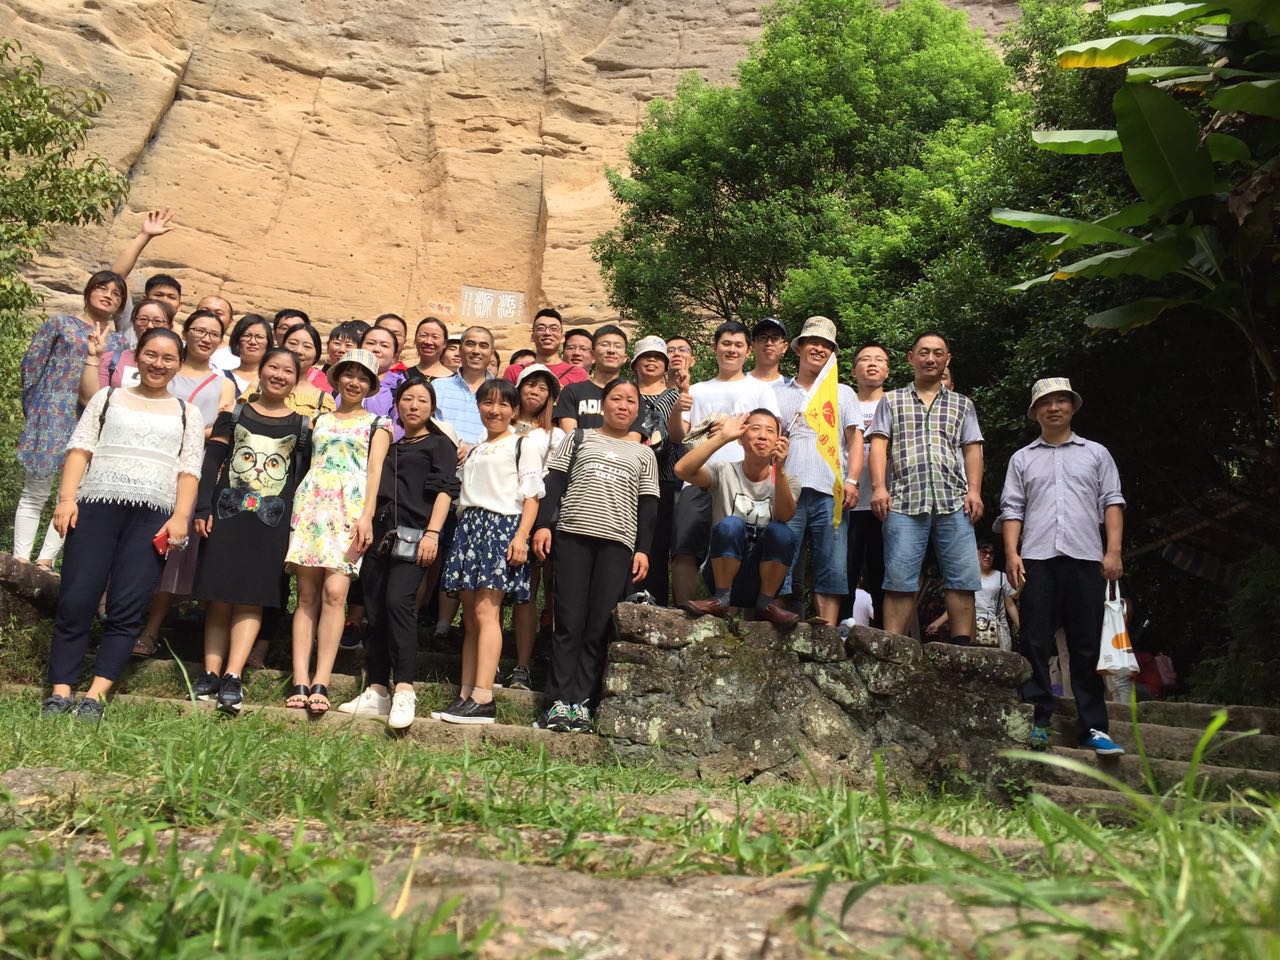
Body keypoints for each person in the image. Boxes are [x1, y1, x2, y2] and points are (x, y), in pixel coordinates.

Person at [41, 328, 205, 722]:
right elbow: (80, 449)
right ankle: (60, 692)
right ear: (137, 355)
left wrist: (181, 516)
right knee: (77, 599)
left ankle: (95, 696)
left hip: (154, 517)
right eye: (151, 354)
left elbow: (189, 470)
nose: (158, 364)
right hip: (95, 507)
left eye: (168, 358)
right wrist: (66, 499)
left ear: (179, 364)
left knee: (127, 606)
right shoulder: (107, 397)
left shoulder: (188, 413)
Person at [999, 377, 1126, 757]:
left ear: (1072, 407)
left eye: (1061, 401)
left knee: (1085, 644)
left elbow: (1112, 502)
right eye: (1046, 403)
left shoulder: (1097, 454)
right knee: (1035, 640)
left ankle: (1093, 728)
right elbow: (1012, 508)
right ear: (1035, 412)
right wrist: (1011, 553)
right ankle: (1038, 719)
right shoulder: (1022, 458)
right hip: (1037, 558)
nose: (1053, 408)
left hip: (1086, 557)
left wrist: (1114, 551)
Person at [190, 347, 313, 713]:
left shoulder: (302, 427)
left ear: (296, 379)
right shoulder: (234, 415)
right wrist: (202, 507)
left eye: (287, 371)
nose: (279, 375)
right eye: (273, 367)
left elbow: (301, 479)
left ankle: (233, 675)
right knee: (219, 595)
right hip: (225, 515)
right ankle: (210, 672)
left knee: (251, 597)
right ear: (260, 371)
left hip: (272, 522)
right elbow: (212, 461)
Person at [533, 379, 660, 732]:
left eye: (631, 401)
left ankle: (582, 702)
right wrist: (543, 525)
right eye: (616, 398)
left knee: (598, 625)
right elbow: (554, 483)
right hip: (573, 536)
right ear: (603, 404)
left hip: (617, 544)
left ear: (638, 410)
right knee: (568, 621)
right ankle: (557, 701)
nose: (623, 405)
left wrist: (643, 549)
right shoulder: (578, 438)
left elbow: (649, 507)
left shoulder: (644, 454)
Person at [339, 379, 459, 727]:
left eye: (422, 400)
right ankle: (377, 689)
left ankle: (404, 689)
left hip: (416, 535)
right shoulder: (390, 446)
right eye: (407, 399)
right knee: (374, 608)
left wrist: (433, 533)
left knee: (398, 603)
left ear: (432, 407)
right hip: (379, 536)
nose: (414, 406)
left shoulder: (440, 444)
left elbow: (445, 490)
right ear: (397, 405)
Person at [283, 349, 392, 715]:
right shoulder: (318, 420)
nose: (354, 382)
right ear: (338, 378)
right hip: (313, 506)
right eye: (349, 374)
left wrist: (367, 516)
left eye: (362, 377)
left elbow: (374, 472)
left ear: (371, 385)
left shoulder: (379, 424)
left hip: (350, 509)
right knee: (306, 595)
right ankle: (300, 678)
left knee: (335, 592)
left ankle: (322, 680)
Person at [131, 308, 238, 657]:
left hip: (194, 470)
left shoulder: (224, 383)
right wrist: (194, 427)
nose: (206, 338)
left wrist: (180, 428)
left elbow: (221, 430)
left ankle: (150, 629)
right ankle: (125, 618)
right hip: (152, 464)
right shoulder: (165, 370)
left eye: (214, 333)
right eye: (199, 330)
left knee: (174, 553)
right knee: (140, 543)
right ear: (186, 331)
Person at [437, 379, 543, 724]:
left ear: (514, 411)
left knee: (487, 612)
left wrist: (521, 537)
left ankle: (484, 696)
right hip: (470, 527)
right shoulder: (476, 449)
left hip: (501, 527)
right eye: (487, 403)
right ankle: (466, 694)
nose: (494, 410)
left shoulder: (522, 444)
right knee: (470, 617)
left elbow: (532, 496)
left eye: (502, 404)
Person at [868, 332, 984, 644]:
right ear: (911, 358)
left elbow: (972, 448)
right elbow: (878, 445)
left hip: (954, 500)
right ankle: (893, 648)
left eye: (937, 353)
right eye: (923, 352)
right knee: (899, 579)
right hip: (904, 500)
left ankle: (963, 649)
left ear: (947, 359)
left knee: (962, 579)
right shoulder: (891, 400)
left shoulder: (963, 404)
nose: (930, 358)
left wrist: (974, 491)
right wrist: (879, 488)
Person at [14, 270, 127, 571]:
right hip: (50, 414)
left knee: (71, 493)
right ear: (88, 292)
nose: (108, 295)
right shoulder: (60, 324)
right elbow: (31, 365)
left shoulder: (119, 343)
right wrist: (34, 409)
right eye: (102, 288)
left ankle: (46, 560)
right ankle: (20, 558)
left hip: (89, 421)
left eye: (116, 293)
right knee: (35, 490)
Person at [670, 321, 781, 606]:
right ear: (715, 347)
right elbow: (678, 436)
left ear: (748, 351)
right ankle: (685, 614)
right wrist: (677, 408)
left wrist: (732, 427)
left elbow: (770, 433)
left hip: (744, 481)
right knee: (685, 548)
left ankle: (732, 611)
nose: (732, 350)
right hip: (699, 477)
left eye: (738, 345)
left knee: (740, 546)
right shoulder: (697, 389)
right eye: (726, 344)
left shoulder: (761, 390)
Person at [772, 317, 861, 624]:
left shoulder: (843, 393)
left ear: (832, 353)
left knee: (832, 563)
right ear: (799, 348)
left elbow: (855, 439)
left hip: (831, 488)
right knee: (781, 558)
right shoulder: (779, 392)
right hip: (788, 487)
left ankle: (828, 631)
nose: (819, 349)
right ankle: (776, 626)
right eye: (813, 342)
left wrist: (852, 480)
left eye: (826, 345)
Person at [675, 410, 800, 628]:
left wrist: (779, 470)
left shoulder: (788, 481)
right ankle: (721, 600)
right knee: (731, 524)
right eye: (755, 429)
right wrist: (722, 437)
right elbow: (681, 470)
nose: (762, 436)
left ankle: (765, 604)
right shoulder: (723, 471)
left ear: (779, 441)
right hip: (721, 572)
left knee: (781, 531)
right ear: (741, 438)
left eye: (770, 431)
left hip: (761, 577)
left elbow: (785, 515)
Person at [508, 364, 566, 690]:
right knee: (501, 591)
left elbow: (555, 479)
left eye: (543, 388)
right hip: (503, 511)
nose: (535, 391)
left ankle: (526, 664)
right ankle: (499, 661)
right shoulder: (502, 425)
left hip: (541, 515)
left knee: (531, 590)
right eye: (530, 384)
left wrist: (544, 522)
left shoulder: (555, 435)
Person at [631, 336, 685, 605]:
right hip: (629, 479)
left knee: (659, 546)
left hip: (664, 478)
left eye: (657, 357)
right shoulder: (626, 392)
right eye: (645, 357)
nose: (651, 361)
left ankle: (657, 606)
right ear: (634, 364)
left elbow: (682, 436)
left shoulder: (677, 395)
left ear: (666, 365)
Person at [841, 342, 889, 627]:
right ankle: (841, 631)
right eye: (865, 359)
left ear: (888, 369)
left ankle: (887, 636)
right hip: (849, 503)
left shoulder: (896, 402)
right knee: (845, 572)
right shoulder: (843, 402)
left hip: (887, 504)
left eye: (879, 359)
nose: (872, 364)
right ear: (853, 369)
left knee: (884, 574)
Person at [925, 541, 1019, 650]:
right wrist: (937, 623)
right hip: (972, 626)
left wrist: (1020, 627)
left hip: (997, 628)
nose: (988, 556)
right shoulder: (967, 577)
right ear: (976, 553)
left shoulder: (1002, 577)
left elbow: (1010, 605)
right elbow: (958, 606)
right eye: (984, 552)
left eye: (991, 553)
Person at [79, 298, 175, 403]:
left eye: (158, 321)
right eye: (143, 319)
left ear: (170, 327)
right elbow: (90, 401)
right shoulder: (112, 359)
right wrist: (93, 357)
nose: (149, 326)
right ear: (134, 325)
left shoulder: (176, 365)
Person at [553, 325, 643, 434]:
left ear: (625, 358)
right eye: (604, 345)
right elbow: (570, 436)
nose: (611, 350)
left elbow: (634, 438)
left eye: (618, 346)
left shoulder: (633, 396)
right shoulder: (571, 392)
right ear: (592, 354)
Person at [107, 209, 178, 333]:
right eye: (158, 295)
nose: (165, 300)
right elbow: (117, 277)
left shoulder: (182, 341)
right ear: (145, 299)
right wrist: (144, 235)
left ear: (179, 306)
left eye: (172, 297)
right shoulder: (131, 323)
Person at [432, 326, 495, 446]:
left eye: (483, 346)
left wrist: (474, 450)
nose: (476, 351)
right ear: (460, 350)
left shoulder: (500, 393)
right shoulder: (437, 387)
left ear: (491, 354)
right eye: (470, 344)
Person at [502, 308, 589, 388]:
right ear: (532, 337)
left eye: (553, 329)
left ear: (562, 338)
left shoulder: (578, 374)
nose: (547, 333)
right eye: (541, 328)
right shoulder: (515, 371)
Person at [359, 325, 408, 435]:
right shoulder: (343, 381)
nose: (376, 349)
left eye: (384, 345)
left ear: (394, 356)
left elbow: (400, 429)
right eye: (371, 343)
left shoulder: (401, 387)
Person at [280, 323, 336, 415]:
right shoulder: (261, 387)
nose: (298, 351)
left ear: (316, 356)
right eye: (293, 343)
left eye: (307, 346)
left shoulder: (323, 401)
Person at [225, 314, 273, 398]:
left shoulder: (273, 380)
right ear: (237, 340)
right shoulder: (222, 377)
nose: (253, 342)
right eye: (246, 336)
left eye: (259, 337)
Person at [747, 317, 790, 384]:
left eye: (775, 338)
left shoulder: (791, 387)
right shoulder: (736, 383)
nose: (769, 343)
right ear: (753, 346)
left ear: (784, 347)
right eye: (763, 337)